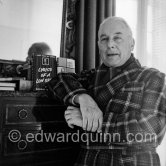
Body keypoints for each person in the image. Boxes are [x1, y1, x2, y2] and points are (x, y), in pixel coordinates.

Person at [47, 17, 166, 166]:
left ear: (132, 43)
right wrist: (83, 98)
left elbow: (151, 130)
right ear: (98, 45)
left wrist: (91, 122)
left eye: (117, 38)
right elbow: (57, 81)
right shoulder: (89, 77)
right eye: (104, 39)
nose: (110, 44)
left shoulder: (153, 77)